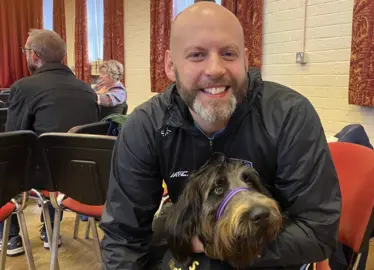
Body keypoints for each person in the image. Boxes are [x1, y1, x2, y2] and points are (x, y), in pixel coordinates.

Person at [99, 2, 341, 270]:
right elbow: (124, 237)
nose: (214, 69)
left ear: (246, 60)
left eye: (228, 53)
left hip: (271, 253)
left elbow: (318, 231)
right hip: (189, 249)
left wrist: (217, 246)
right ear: (170, 64)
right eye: (197, 55)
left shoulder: (290, 115)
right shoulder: (145, 127)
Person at [0, 29, 99, 256]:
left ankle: (11, 237)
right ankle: (51, 228)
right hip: (80, 175)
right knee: (55, 158)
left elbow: (13, 141)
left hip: (40, 177)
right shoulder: (87, 90)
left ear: (34, 55)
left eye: (25, 51)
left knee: (6, 161)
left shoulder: (24, 87)